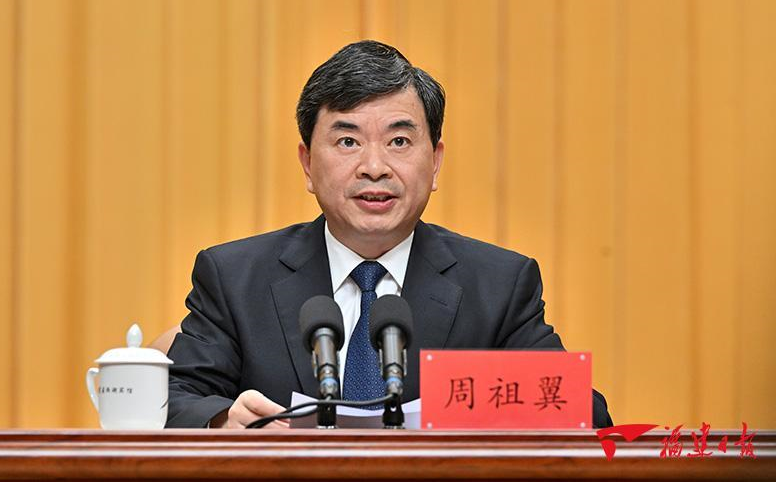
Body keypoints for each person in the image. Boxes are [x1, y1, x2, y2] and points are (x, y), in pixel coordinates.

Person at [166, 40, 612, 428]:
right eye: (348, 141)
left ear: (434, 162)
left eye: (399, 142)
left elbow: (583, 414)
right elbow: (174, 398)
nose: (374, 167)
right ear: (307, 164)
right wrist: (223, 421)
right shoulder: (236, 278)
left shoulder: (498, 285)